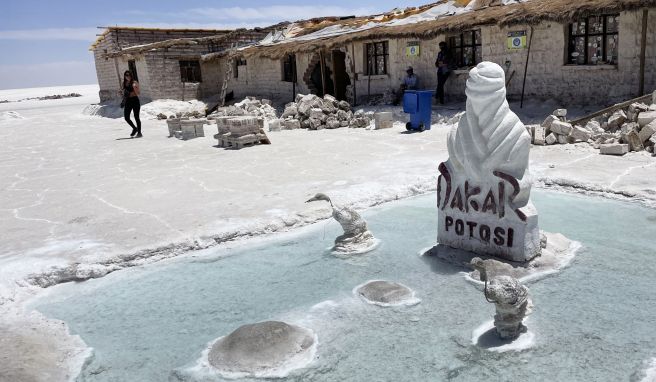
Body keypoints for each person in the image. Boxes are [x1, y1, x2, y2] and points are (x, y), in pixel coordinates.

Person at [121, 70, 142, 138]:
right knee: (126, 117)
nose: (128, 76)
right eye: (126, 75)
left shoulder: (134, 82)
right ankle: (134, 128)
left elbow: (138, 93)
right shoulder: (124, 83)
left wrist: (134, 88)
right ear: (124, 76)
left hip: (135, 100)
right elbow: (123, 92)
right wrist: (121, 93)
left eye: (129, 75)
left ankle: (139, 132)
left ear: (131, 75)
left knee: (136, 117)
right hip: (128, 101)